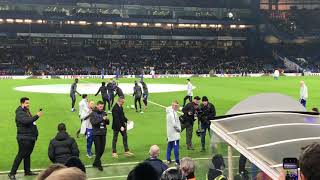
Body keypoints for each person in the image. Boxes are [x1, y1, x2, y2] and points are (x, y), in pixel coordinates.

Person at [9, 97, 43, 180]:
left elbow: (30, 122)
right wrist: (37, 116)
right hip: (24, 138)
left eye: (28, 103)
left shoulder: (25, 111)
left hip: (30, 137)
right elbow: (26, 121)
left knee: (27, 154)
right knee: (21, 155)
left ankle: (27, 171)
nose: (28, 104)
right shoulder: (20, 112)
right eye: (27, 103)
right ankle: (12, 173)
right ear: (22, 103)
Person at [90, 101, 109, 171]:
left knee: (102, 149)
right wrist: (102, 119)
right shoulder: (92, 114)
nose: (101, 108)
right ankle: (99, 164)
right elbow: (93, 123)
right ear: (97, 106)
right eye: (100, 107)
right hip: (96, 133)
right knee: (98, 150)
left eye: (102, 107)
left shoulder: (104, 113)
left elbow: (108, 123)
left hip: (103, 133)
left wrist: (107, 119)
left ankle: (95, 162)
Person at [166, 100, 181, 165]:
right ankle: (177, 160)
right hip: (174, 133)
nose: (177, 107)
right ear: (173, 106)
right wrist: (179, 130)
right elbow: (174, 124)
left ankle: (168, 159)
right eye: (176, 106)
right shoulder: (173, 114)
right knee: (175, 147)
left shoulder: (168, 112)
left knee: (169, 146)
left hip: (169, 132)